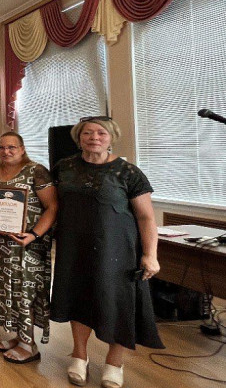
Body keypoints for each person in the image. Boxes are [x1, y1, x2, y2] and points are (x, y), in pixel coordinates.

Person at [51, 117, 162, 388]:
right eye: (87, 133)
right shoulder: (64, 167)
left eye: (101, 133)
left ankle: (114, 362)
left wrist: (150, 255)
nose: (94, 138)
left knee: (118, 303)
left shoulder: (128, 173)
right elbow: (51, 206)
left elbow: (146, 217)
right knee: (77, 298)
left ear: (112, 137)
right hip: (73, 248)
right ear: (78, 138)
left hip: (118, 251)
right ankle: (79, 356)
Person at [0, 132, 58, 364]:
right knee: (8, 290)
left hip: (29, 244)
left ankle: (29, 345)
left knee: (26, 290)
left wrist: (34, 234)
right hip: (0, 243)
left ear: (22, 148)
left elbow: (52, 207)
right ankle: (20, 336)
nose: (6, 151)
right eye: (2, 147)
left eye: (12, 147)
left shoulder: (36, 171)